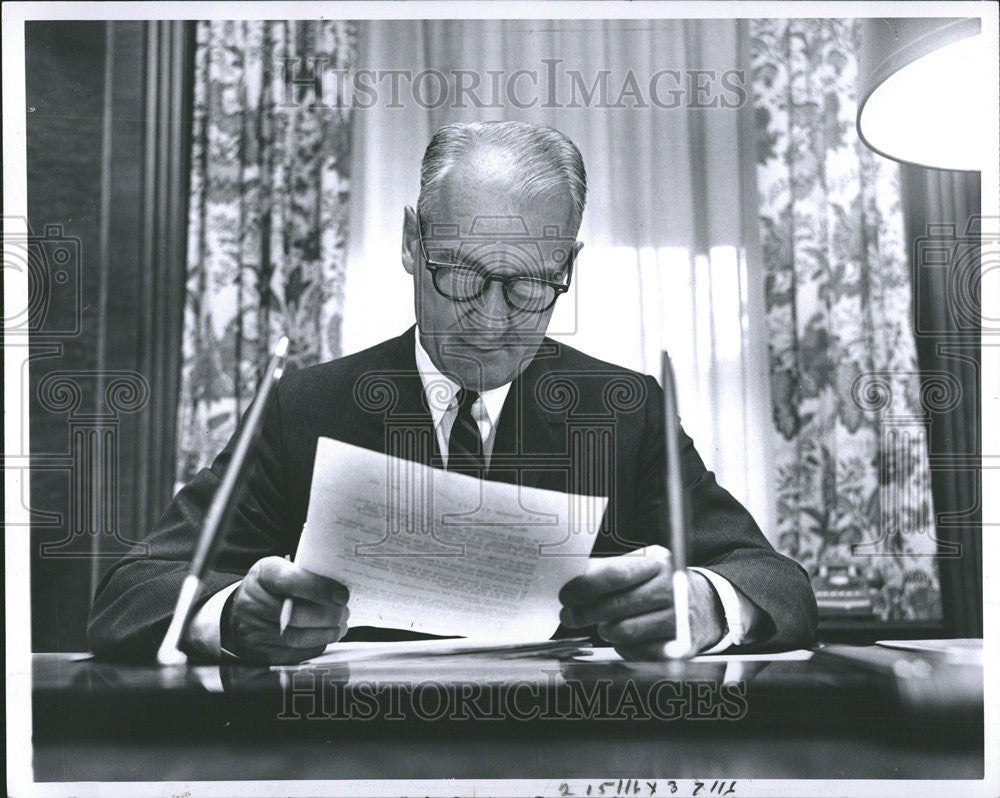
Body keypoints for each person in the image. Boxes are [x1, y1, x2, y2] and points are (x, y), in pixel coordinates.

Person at [88, 120, 817, 664]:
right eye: (460, 274)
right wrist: (232, 617)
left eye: (531, 285)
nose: (491, 322)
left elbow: (774, 582)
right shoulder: (304, 407)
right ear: (412, 241)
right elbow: (135, 591)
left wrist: (704, 605)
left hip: (568, 752)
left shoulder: (625, 411)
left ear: (570, 263)